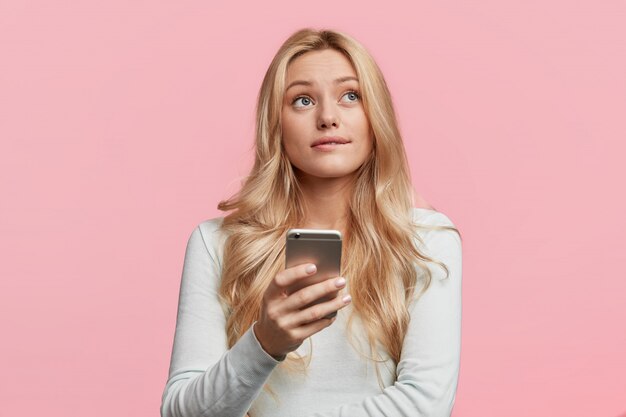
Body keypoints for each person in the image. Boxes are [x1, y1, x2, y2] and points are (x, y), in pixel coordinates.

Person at [160, 28, 463, 417]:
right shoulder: (216, 243)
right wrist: (264, 343)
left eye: (350, 96)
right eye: (302, 100)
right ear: (277, 124)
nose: (328, 117)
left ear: (376, 116)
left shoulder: (426, 240)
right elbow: (180, 413)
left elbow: (425, 404)